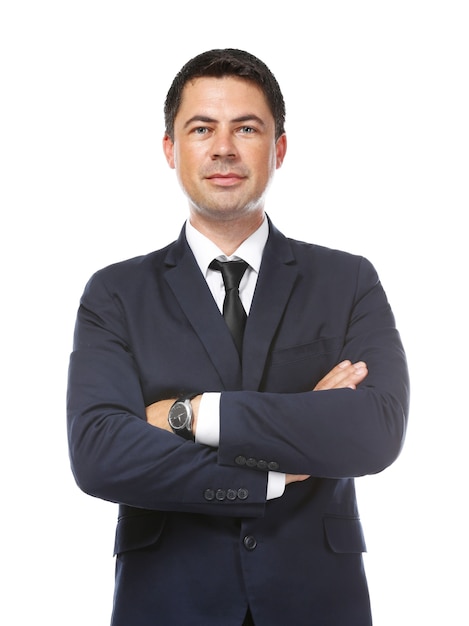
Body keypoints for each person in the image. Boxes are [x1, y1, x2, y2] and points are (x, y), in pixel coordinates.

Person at [67, 48, 410, 626]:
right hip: (168, 603)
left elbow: (376, 430)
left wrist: (192, 415)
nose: (223, 147)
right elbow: (101, 453)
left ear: (278, 148)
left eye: (246, 128)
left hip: (318, 603)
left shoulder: (348, 280)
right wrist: (279, 461)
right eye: (202, 128)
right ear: (171, 149)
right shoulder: (115, 293)